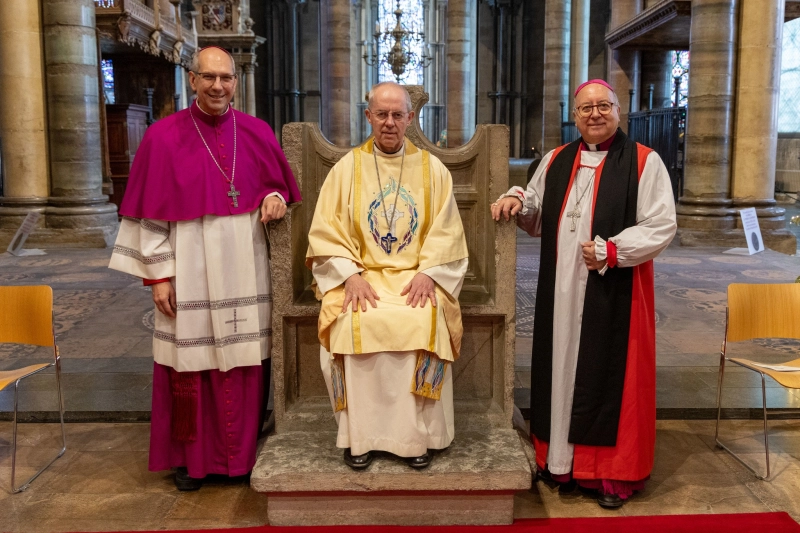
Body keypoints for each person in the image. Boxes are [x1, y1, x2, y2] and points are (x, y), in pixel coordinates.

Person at [109, 46, 301, 491]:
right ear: (192, 80)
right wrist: (158, 276)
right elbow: (148, 219)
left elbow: (277, 187)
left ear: (236, 81)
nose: (218, 86)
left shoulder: (255, 131)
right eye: (208, 77)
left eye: (226, 78)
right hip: (188, 272)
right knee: (188, 366)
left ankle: (242, 457)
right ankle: (190, 462)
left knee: (244, 362)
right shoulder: (161, 137)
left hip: (245, 270)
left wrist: (274, 195)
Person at [491, 79, 676, 508]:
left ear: (618, 110)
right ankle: (561, 463)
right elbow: (534, 206)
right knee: (561, 366)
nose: (595, 114)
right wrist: (517, 198)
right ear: (574, 115)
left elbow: (661, 224)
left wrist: (615, 249)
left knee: (608, 373)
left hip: (615, 290)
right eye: (586, 108)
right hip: (561, 289)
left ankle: (609, 473)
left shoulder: (644, 162)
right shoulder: (557, 159)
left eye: (603, 106)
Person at [306, 82, 468, 470]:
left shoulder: (433, 170)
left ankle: (417, 438)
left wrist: (430, 273)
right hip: (363, 277)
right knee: (350, 318)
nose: (390, 123)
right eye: (382, 114)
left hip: (416, 277)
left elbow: (447, 232)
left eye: (398, 115)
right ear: (368, 116)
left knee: (425, 316)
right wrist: (348, 277)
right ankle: (358, 437)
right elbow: (326, 231)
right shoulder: (347, 169)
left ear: (411, 118)